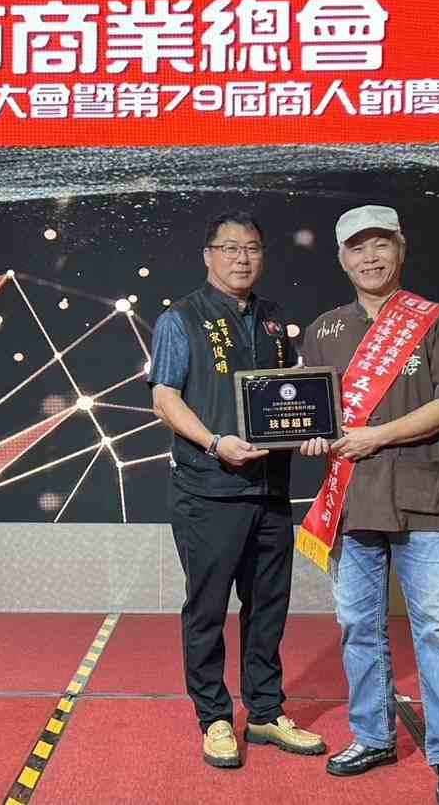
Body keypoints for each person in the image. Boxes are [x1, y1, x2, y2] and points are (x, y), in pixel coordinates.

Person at [299, 205, 439, 805]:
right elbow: (311, 413)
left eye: (381, 244)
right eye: (357, 248)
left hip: (423, 499)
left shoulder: (436, 319)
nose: (370, 257)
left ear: (401, 249)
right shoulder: (324, 329)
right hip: (352, 503)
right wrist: (308, 434)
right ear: (341, 258)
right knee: (358, 627)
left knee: (437, 628)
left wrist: (374, 436)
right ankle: (373, 736)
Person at [149, 211, 326, 768]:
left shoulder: (274, 319)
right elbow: (164, 399)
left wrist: (310, 430)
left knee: (269, 607)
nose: (241, 258)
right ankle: (215, 718)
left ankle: (266, 712)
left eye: (251, 247)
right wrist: (213, 443)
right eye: (229, 248)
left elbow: (290, 396)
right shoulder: (181, 318)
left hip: (270, 490)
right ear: (208, 256)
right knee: (207, 609)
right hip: (209, 488)